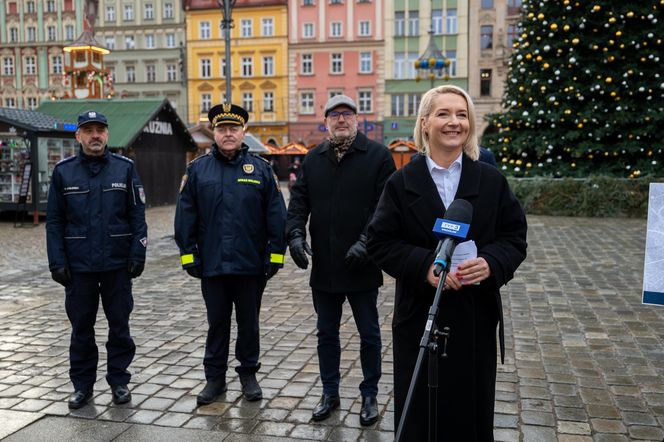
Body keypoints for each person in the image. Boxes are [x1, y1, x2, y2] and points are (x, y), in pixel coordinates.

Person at [367, 85, 527, 440]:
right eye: (444, 114)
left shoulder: (490, 180)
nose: (454, 122)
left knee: (469, 413)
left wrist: (491, 263)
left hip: (474, 315)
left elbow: (514, 238)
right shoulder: (401, 182)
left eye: (462, 114)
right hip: (419, 317)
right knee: (421, 415)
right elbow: (380, 242)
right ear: (424, 123)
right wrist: (424, 265)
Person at [286, 95, 396, 426]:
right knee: (326, 333)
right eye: (334, 115)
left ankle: (369, 394)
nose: (341, 120)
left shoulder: (377, 156)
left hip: (363, 264)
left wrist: (366, 241)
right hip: (327, 265)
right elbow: (299, 201)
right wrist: (293, 233)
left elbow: (385, 206)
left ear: (357, 119)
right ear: (326, 122)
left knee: (369, 333)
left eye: (347, 114)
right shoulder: (314, 158)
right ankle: (329, 393)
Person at [174, 103, 287, 406]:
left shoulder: (261, 169)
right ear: (214, 131)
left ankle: (248, 375)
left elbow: (276, 216)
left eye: (233, 129)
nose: (228, 134)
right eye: (222, 129)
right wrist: (189, 256)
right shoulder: (198, 170)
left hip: (251, 265)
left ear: (243, 132)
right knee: (217, 323)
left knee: (249, 324)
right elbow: (185, 216)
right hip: (212, 265)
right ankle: (215, 380)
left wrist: (275, 256)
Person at [46, 110, 147, 409]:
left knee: (120, 328)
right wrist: (57, 261)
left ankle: (119, 382)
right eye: (88, 130)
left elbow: (137, 216)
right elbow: (54, 222)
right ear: (78, 136)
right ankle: (82, 386)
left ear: (107, 133)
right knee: (81, 330)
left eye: (100, 130)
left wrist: (138, 253)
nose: (95, 136)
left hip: (117, 265)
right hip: (79, 268)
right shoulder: (63, 172)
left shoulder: (124, 169)